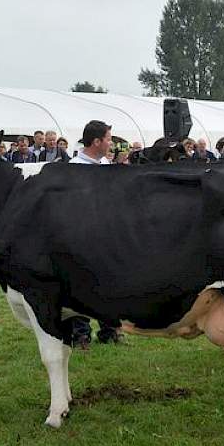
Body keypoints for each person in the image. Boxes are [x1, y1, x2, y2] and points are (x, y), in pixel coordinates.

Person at [68, 120, 121, 347]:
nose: (111, 143)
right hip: (82, 236)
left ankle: (109, 330)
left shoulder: (105, 163)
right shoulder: (74, 167)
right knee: (81, 284)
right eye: (108, 138)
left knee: (108, 284)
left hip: (107, 234)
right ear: (97, 141)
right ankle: (81, 334)